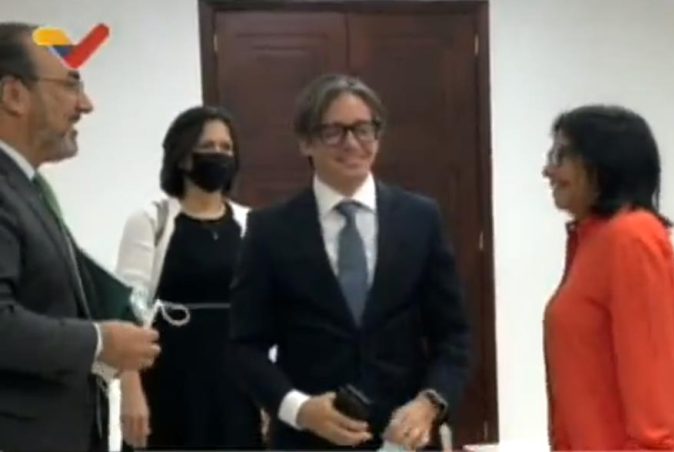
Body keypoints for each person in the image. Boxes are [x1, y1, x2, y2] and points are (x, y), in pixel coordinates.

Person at [230, 73, 471, 450]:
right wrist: (300, 409)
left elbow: (453, 336)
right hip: (307, 440)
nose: (352, 143)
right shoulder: (269, 231)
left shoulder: (421, 219)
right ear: (305, 141)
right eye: (334, 132)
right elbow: (245, 346)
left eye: (364, 129)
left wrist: (430, 403)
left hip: (403, 440)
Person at [0, 22, 160, 452]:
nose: (86, 105)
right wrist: (100, 342)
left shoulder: (27, 189)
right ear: (13, 95)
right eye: (71, 86)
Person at [541, 105, 674, 450]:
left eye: (561, 156)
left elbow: (654, 413)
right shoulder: (592, 241)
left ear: (602, 163)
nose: (547, 170)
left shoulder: (632, 238)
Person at [115, 105, 262, 450]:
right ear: (182, 157)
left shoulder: (251, 225)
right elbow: (127, 312)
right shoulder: (151, 221)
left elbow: (262, 319)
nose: (219, 155)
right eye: (207, 147)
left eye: (226, 148)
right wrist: (130, 391)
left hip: (235, 388)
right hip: (167, 383)